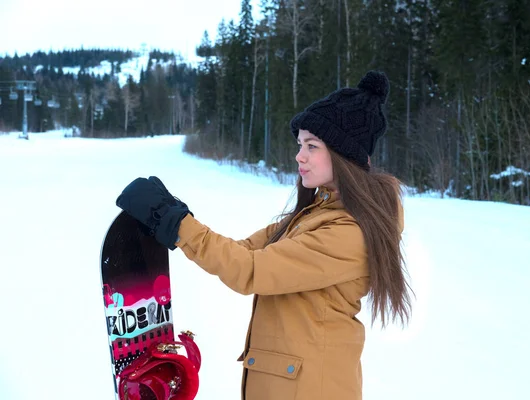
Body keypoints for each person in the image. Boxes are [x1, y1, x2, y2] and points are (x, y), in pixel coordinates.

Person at [115, 70, 412, 400]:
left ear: (345, 155)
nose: (299, 155)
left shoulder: (348, 233)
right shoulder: (313, 216)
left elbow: (250, 270)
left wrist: (174, 223)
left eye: (312, 146)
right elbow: (242, 252)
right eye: (300, 144)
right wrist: (174, 216)